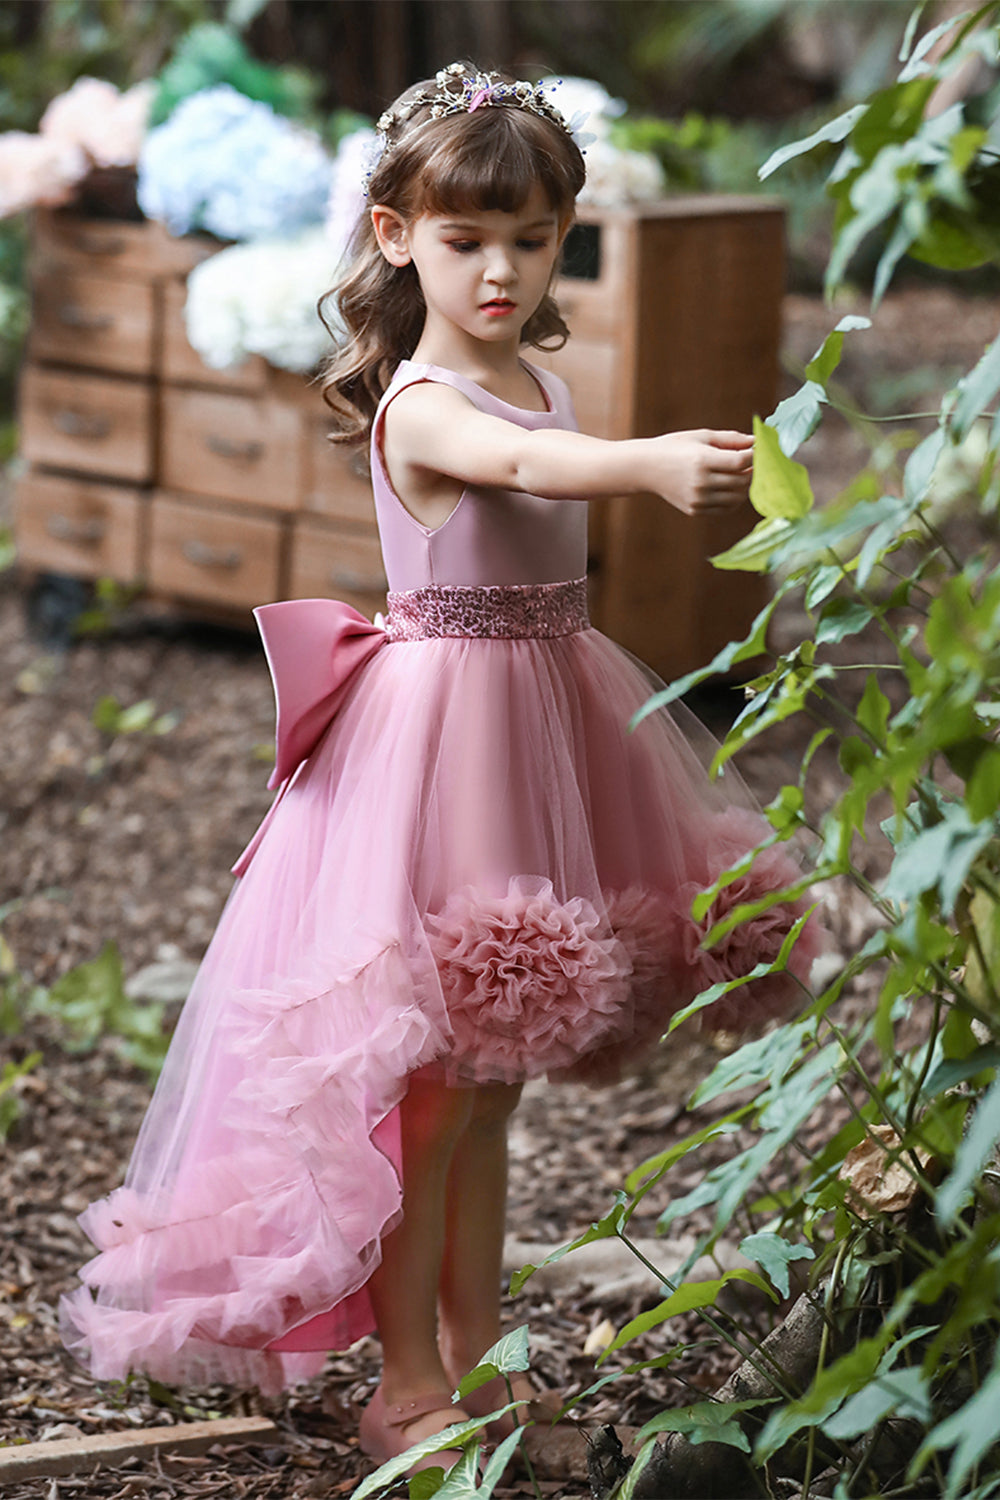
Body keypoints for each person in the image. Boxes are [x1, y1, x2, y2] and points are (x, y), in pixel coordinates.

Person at [60, 62, 821, 1476]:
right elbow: (520, 471)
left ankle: (483, 1363)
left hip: (549, 710)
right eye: (468, 240)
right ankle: (406, 1381)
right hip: (447, 740)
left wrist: (619, 446)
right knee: (436, 1084)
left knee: (497, 1084)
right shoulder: (424, 403)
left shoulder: (538, 369)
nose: (500, 269)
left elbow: (539, 444)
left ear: (560, 239)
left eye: (532, 240)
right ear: (399, 234)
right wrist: (645, 460)